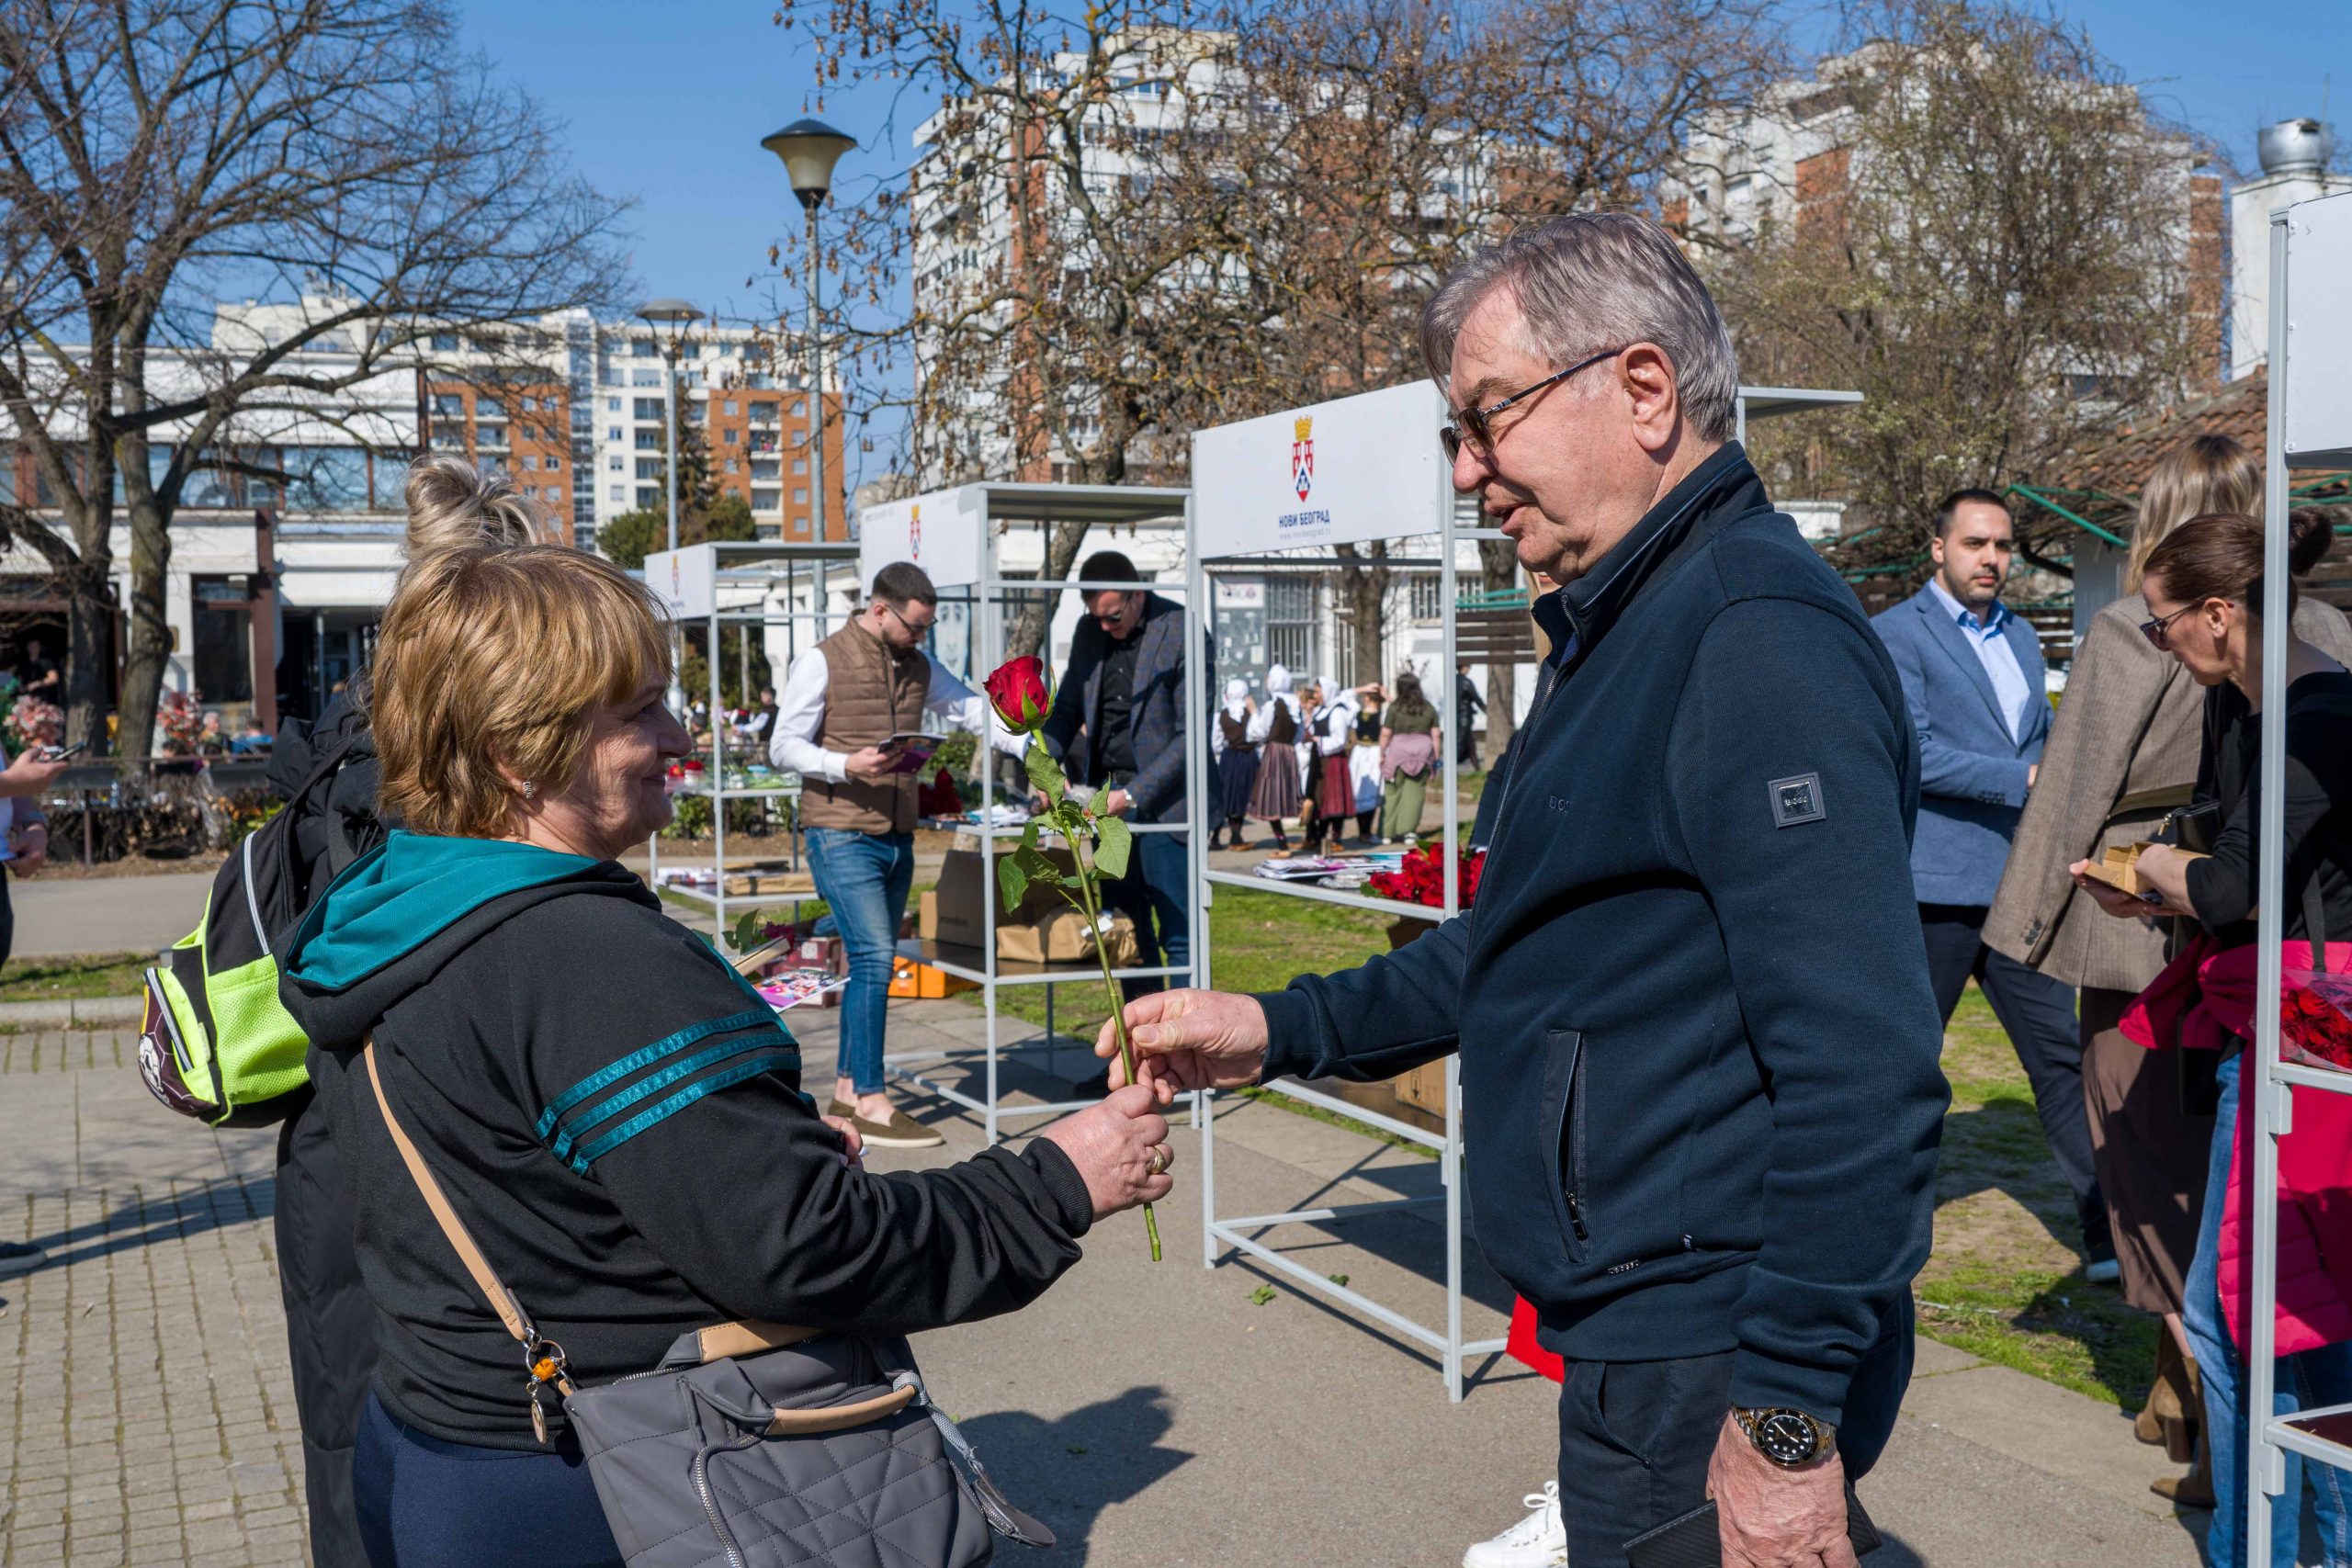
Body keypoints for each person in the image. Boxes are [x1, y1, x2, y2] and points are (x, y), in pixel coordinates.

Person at [1101, 211, 1947, 1568]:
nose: (1467, 470)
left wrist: (1785, 1420)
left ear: (1645, 388)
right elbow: (1526, 946)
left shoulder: (1750, 635)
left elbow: (1866, 1067)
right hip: (1647, 1336)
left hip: (1708, 1347)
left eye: (1489, 418)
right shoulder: (1626, 622)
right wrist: (1274, 1027)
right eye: (1459, 432)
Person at [277, 528, 1173, 1568]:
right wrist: (1055, 1179)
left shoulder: (387, 911)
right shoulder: (584, 955)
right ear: (519, 753)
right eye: (639, 710)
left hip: (428, 1451)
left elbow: (531, 1180)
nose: (678, 734)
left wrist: (754, 1141)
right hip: (601, 1486)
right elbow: (810, 1249)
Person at [1984, 434, 2352, 1505]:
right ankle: (2210, 1411)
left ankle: (2201, 1404)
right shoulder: (2318, 630)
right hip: (2240, 934)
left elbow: (2081, 780)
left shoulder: (2133, 630)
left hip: (2213, 939)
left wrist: (2035, 917)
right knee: (2248, 1210)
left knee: (2152, 1161)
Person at [261, 454, 551, 1567]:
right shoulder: (464, 766)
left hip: (335, 1127)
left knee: (349, 1423)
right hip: (447, 1139)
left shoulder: (341, 737)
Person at [2068, 509, 2352, 1568]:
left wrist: (2148, 869)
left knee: (2242, 1314)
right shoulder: (2244, 706)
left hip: (2308, 1034)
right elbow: (2228, 861)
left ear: (2220, 614)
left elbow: (2231, 883)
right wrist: (2155, 890)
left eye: (2162, 624)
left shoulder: (2316, 718)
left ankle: (2258, 1552)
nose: (2159, 643)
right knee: (2296, 1311)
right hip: (2271, 1019)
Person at [1871, 491, 2112, 1281]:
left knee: (2061, 1057)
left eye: (2003, 545)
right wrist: (2027, 779)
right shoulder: (1898, 634)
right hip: (1934, 891)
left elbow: (2038, 733)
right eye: (1976, 542)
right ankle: (1869, 1228)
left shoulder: (2020, 634)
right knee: (1905, 1065)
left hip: (2019, 886)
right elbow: (1915, 752)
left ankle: (2108, 1237)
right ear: (1937, 548)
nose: (1992, 558)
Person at [772, 561, 1020, 1149]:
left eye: (927, 627)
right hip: (838, 831)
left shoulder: (919, 664)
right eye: (914, 626)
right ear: (880, 610)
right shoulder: (822, 660)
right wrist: (845, 764)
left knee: (867, 961)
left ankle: (848, 1090)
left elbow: (970, 710)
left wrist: (1033, 743)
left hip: (896, 834)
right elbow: (783, 746)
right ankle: (872, 1099)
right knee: (876, 958)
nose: (921, 637)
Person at [1040, 549, 1200, 998]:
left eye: (1113, 616)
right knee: (1127, 933)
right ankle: (1142, 1040)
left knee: (1180, 937)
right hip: (1105, 804)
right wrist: (1047, 765)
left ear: (1137, 595)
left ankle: (1187, 1036)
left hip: (1168, 807)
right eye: (1096, 618)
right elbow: (1066, 709)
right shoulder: (1090, 632)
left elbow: (1189, 736)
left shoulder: (1180, 628)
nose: (1106, 627)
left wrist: (1132, 795)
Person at [1378, 671, 1442, 845]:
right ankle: (1409, 832)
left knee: (1392, 792)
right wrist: (1436, 758)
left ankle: (1387, 834)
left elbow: (1386, 733)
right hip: (1423, 754)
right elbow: (1436, 734)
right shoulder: (1428, 708)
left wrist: (1381, 753)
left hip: (1397, 753)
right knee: (1415, 793)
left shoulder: (1395, 708)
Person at [1299, 676, 1362, 854]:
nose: (1315, 695)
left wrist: (1317, 740)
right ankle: (1317, 836)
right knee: (1319, 797)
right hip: (1319, 759)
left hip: (1333, 760)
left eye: (1318, 692)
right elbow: (1310, 731)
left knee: (1334, 798)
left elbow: (1339, 740)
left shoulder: (1338, 711)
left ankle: (1336, 837)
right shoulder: (1320, 711)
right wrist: (1308, 715)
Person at [1248, 663, 1304, 853]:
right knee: (1284, 795)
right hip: (1289, 752)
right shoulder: (1295, 704)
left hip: (1274, 752)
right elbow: (1299, 734)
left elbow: (1260, 732)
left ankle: (1282, 843)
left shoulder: (1272, 705)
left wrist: (1254, 713)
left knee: (1271, 797)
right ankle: (1285, 840)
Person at [1211, 678, 1259, 852]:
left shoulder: (1221, 715)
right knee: (1242, 796)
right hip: (1248, 758)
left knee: (1225, 795)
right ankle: (1235, 836)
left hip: (1229, 758)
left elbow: (1216, 744)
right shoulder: (1251, 712)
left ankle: (1218, 836)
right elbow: (1258, 735)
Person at [1350, 683, 1385, 841]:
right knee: (1359, 788)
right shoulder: (1357, 713)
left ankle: (1366, 831)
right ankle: (1363, 831)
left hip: (1373, 753)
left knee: (1370, 790)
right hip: (1361, 753)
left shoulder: (1382, 715)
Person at [1454, 660, 1484, 767]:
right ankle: (1454, 762)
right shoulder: (1466, 682)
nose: (1469, 669)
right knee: (1461, 740)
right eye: (1468, 667)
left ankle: (1476, 766)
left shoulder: (1452, 680)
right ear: (1464, 667)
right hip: (1465, 715)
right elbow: (1476, 698)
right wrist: (1485, 710)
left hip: (1456, 715)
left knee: (1469, 741)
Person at [17, 636, 60, 702]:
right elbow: (20, 678)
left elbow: (54, 678)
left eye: (36, 646)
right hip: (27, 698)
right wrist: (21, 687)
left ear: (40, 647)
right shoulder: (23, 662)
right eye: (31, 646)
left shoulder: (46, 661)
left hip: (45, 698)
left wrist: (36, 684)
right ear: (27, 648)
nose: (34, 648)